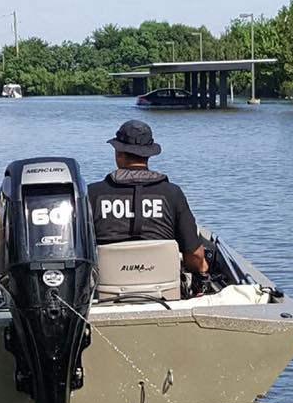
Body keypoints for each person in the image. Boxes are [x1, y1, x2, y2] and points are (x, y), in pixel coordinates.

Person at [87, 119, 210, 290]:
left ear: (118, 153)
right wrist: (202, 271)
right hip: (166, 292)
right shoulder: (172, 194)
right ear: (148, 154)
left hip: (106, 291)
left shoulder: (93, 194)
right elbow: (195, 254)